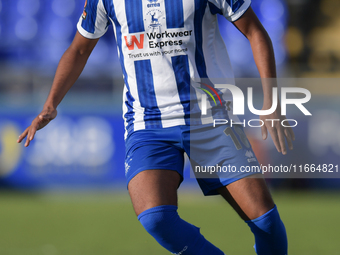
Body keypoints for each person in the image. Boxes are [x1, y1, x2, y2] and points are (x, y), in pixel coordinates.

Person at [18, 0, 295, 254]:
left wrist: (271, 103)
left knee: (264, 219)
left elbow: (256, 32)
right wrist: (50, 104)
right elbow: (79, 48)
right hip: (147, 123)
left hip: (210, 119)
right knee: (155, 217)